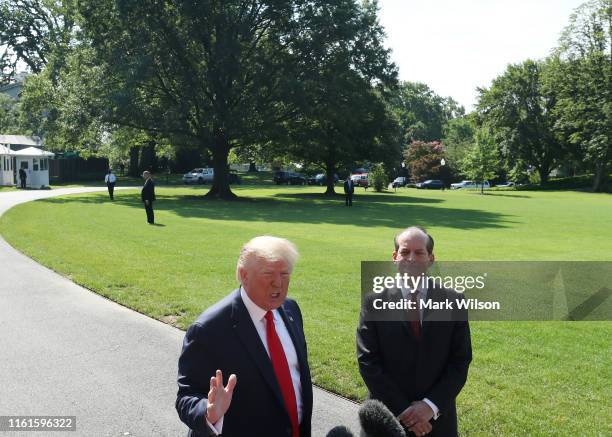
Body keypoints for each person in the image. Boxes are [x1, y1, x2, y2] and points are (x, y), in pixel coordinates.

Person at [176, 236, 313, 437]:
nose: (278, 283)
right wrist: (209, 411)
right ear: (243, 275)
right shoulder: (208, 329)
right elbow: (186, 397)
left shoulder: (291, 310)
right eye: (268, 274)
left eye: (285, 273)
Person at [356, 227, 472, 437]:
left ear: (431, 259)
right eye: (405, 252)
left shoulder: (453, 300)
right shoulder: (374, 301)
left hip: (437, 421)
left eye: (419, 253)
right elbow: (368, 361)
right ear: (394, 257)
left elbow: (460, 360)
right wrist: (405, 411)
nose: (411, 258)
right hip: (387, 420)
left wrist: (430, 406)